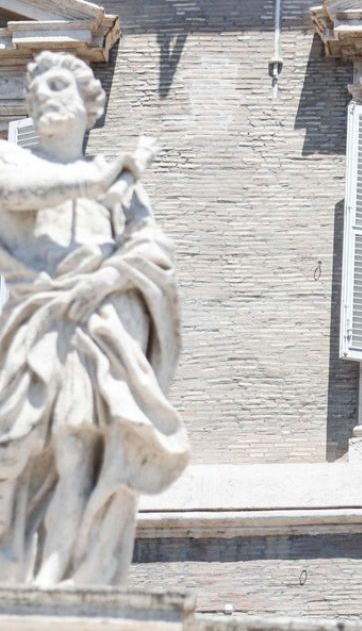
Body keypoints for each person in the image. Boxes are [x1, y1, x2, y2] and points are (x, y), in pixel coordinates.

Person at [0, 52, 188, 586]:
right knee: (13, 447)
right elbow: (14, 195)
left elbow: (151, 251)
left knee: (76, 445)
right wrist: (99, 178)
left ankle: (58, 571)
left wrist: (104, 281)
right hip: (26, 324)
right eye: (34, 91)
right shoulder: (11, 160)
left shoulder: (118, 186)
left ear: (89, 104)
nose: (42, 97)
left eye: (57, 86)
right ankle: (12, 560)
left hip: (90, 329)